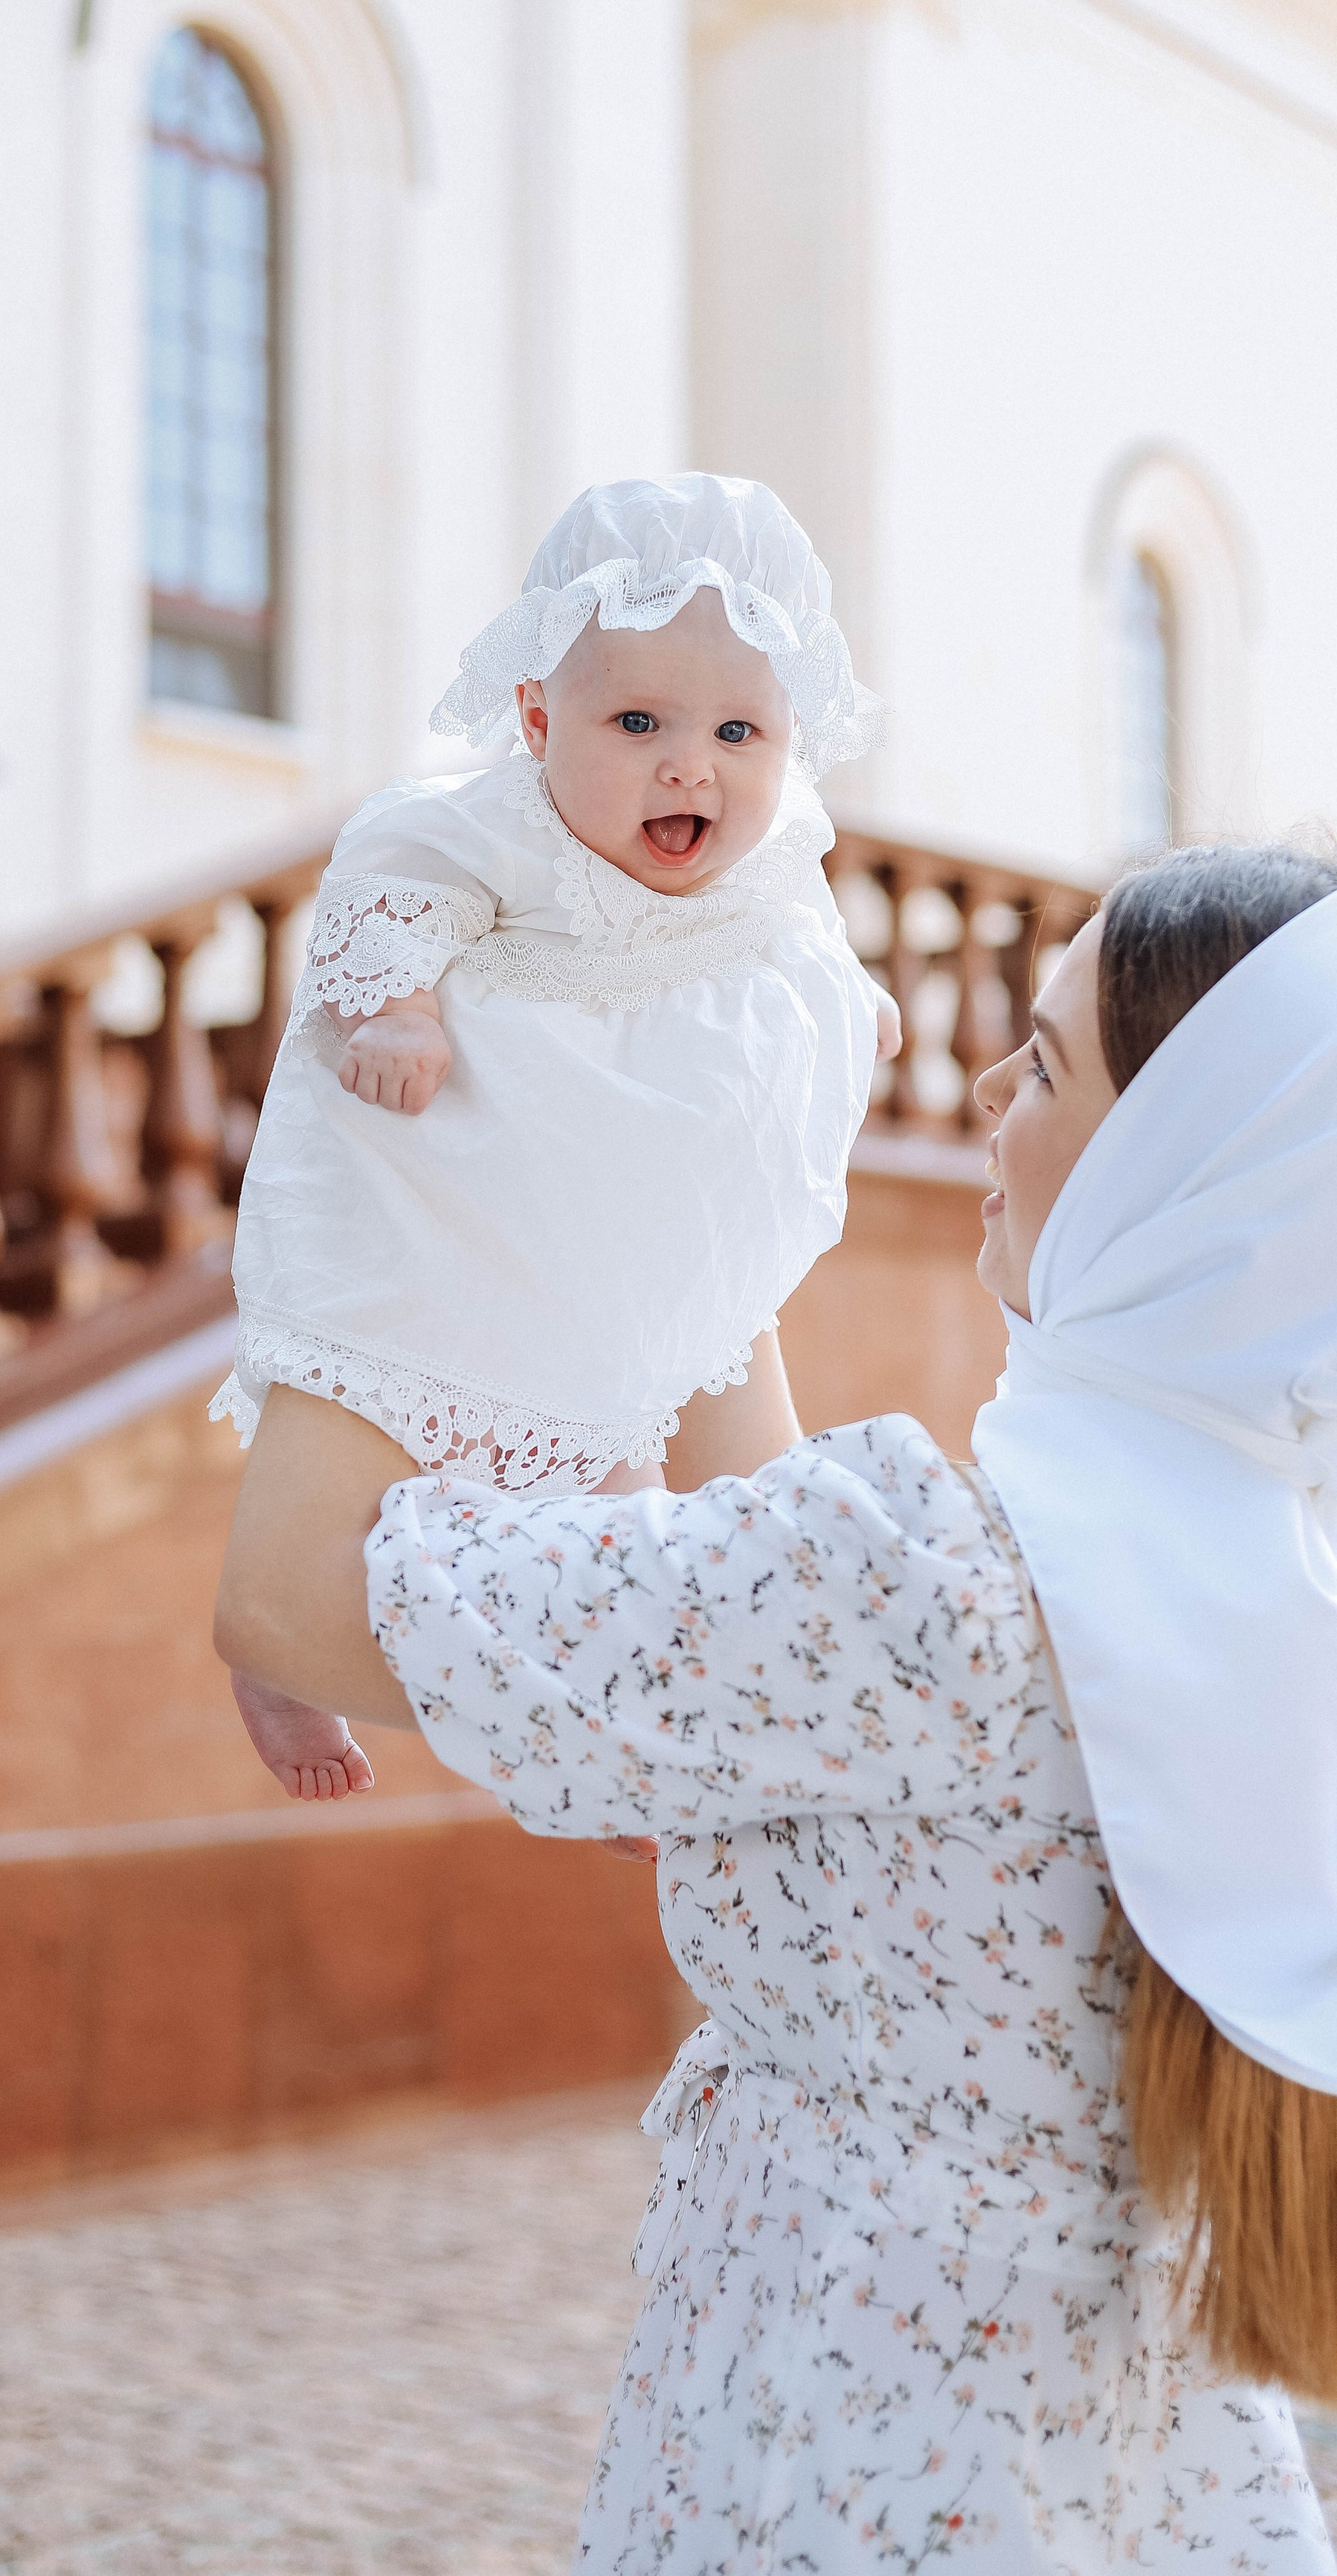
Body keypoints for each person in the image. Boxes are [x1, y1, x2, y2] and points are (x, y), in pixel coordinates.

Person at [213, 841, 1337, 2575]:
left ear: (1174, 1172)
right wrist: (702, 1179)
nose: (987, 1085)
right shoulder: (1297, 1551)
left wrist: (373, 1152)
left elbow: (294, 1598)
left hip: (836, 2449)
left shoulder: (921, 1584)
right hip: (1110, 2462)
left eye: (1048, 1063)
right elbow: (787, 1630)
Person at [215, 473, 895, 1798]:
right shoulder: (501, 825)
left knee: (631, 1513)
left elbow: (797, 930)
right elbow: (393, 882)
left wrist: (849, 1003)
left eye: (740, 731)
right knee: (416, 1413)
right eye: (637, 720)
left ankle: (641, 1765)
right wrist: (398, 1008)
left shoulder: (775, 847)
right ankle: (293, 1663)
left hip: (650, 1233)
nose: (690, 763)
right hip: (490, 1194)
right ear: (537, 718)